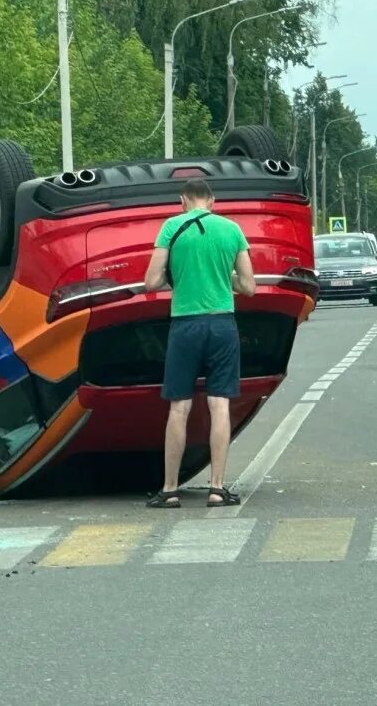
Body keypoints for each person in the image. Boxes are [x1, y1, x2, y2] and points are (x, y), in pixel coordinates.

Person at [142, 178, 255, 508]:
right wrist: (224, 276)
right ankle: (218, 488)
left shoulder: (170, 227)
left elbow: (151, 282)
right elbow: (249, 286)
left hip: (185, 326)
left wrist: (174, 275)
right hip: (222, 324)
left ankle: (170, 490)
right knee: (219, 404)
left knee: (180, 406)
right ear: (212, 200)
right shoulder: (232, 230)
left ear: (183, 201)